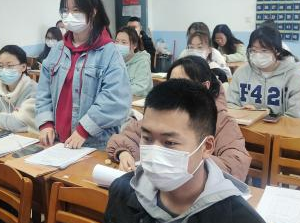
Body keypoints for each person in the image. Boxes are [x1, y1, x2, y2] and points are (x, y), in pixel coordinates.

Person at [83, 79, 270, 223]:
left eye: (169, 143)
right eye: (147, 138)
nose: (154, 152)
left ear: (207, 147)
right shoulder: (125, 191)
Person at [107, 56, 250, 180]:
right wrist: (124, 153)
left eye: (184, 85)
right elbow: (129, 136)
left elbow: (235, 165)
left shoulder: (222, 121)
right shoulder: (163, 114)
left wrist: (184, 159)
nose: (176, 92)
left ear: (205, 86)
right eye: (172, 85)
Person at [36, 0, 131, 150]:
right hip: (58, 142)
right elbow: (43, 91)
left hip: (94, 143)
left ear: (92, 12)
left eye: (76, 10)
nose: (69, 16)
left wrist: (84, 129)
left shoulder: (108, 52)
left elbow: (115, 99)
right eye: (65, 11)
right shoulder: (57, 50)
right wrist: (46, 123)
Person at [227, 26, 300, 118]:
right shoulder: (241, 73)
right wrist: (242, 111)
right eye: (253, 50)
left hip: (281, 127)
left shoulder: (296, 77)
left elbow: (297, 117)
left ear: (277, 51)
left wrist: (262, 115)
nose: (258, 55)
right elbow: (229, 104)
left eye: (264, 50)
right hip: (245, 125)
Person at [0, 45, 38, 133]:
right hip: (6, 136)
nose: (4, 70)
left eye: (9, 66)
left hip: (31, 138)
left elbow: (20, 123)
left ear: (23, 67)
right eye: (0, 66)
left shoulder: (33, 91)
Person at [115, 27, 153, 97]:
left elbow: (140, 88)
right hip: (120, 99)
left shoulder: (142, 61)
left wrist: (116, 91)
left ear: (134, 45)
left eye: (124, 42)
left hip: (138, 101)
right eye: (117, 41)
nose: (119, 45)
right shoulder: (115, 61)